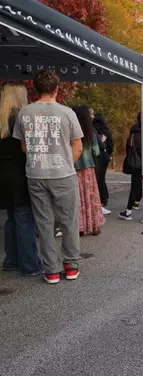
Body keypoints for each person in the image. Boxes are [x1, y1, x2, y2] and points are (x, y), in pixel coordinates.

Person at [13, 70, 83, 284]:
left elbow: (24, 146)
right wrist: (65, 162)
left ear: (34, 89)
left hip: (35, 172)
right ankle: (71, 266)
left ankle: (51, 270)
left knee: (44, 223)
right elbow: (77, 146)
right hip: (63, 173)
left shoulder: (23, 113)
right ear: (56, 89)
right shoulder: (67, 113)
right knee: (69, 221)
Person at [0, 84, 43, 276]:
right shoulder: (21, 117)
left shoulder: (2, 119)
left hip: (3, 175)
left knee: (11, 219)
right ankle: (29, 263)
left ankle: (11, 260)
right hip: (20, 173)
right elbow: (30, 147)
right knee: (25, 218)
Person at [72, 106, 104, 236]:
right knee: (91, 197)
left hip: (75, 169)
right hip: (89, 169)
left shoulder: (72, 132)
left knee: (78, 198)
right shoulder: (91, 133)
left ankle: (81, 227)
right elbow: (96, 152)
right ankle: (95, 226)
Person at [92, 112, 113, 214]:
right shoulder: (106, 131)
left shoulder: (92, 130)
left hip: (96, 156)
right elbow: (111, 145)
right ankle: (104, 197)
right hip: (105, 156)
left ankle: (101, 198)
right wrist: (108, 153)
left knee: (97, 178)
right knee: (102, 177)